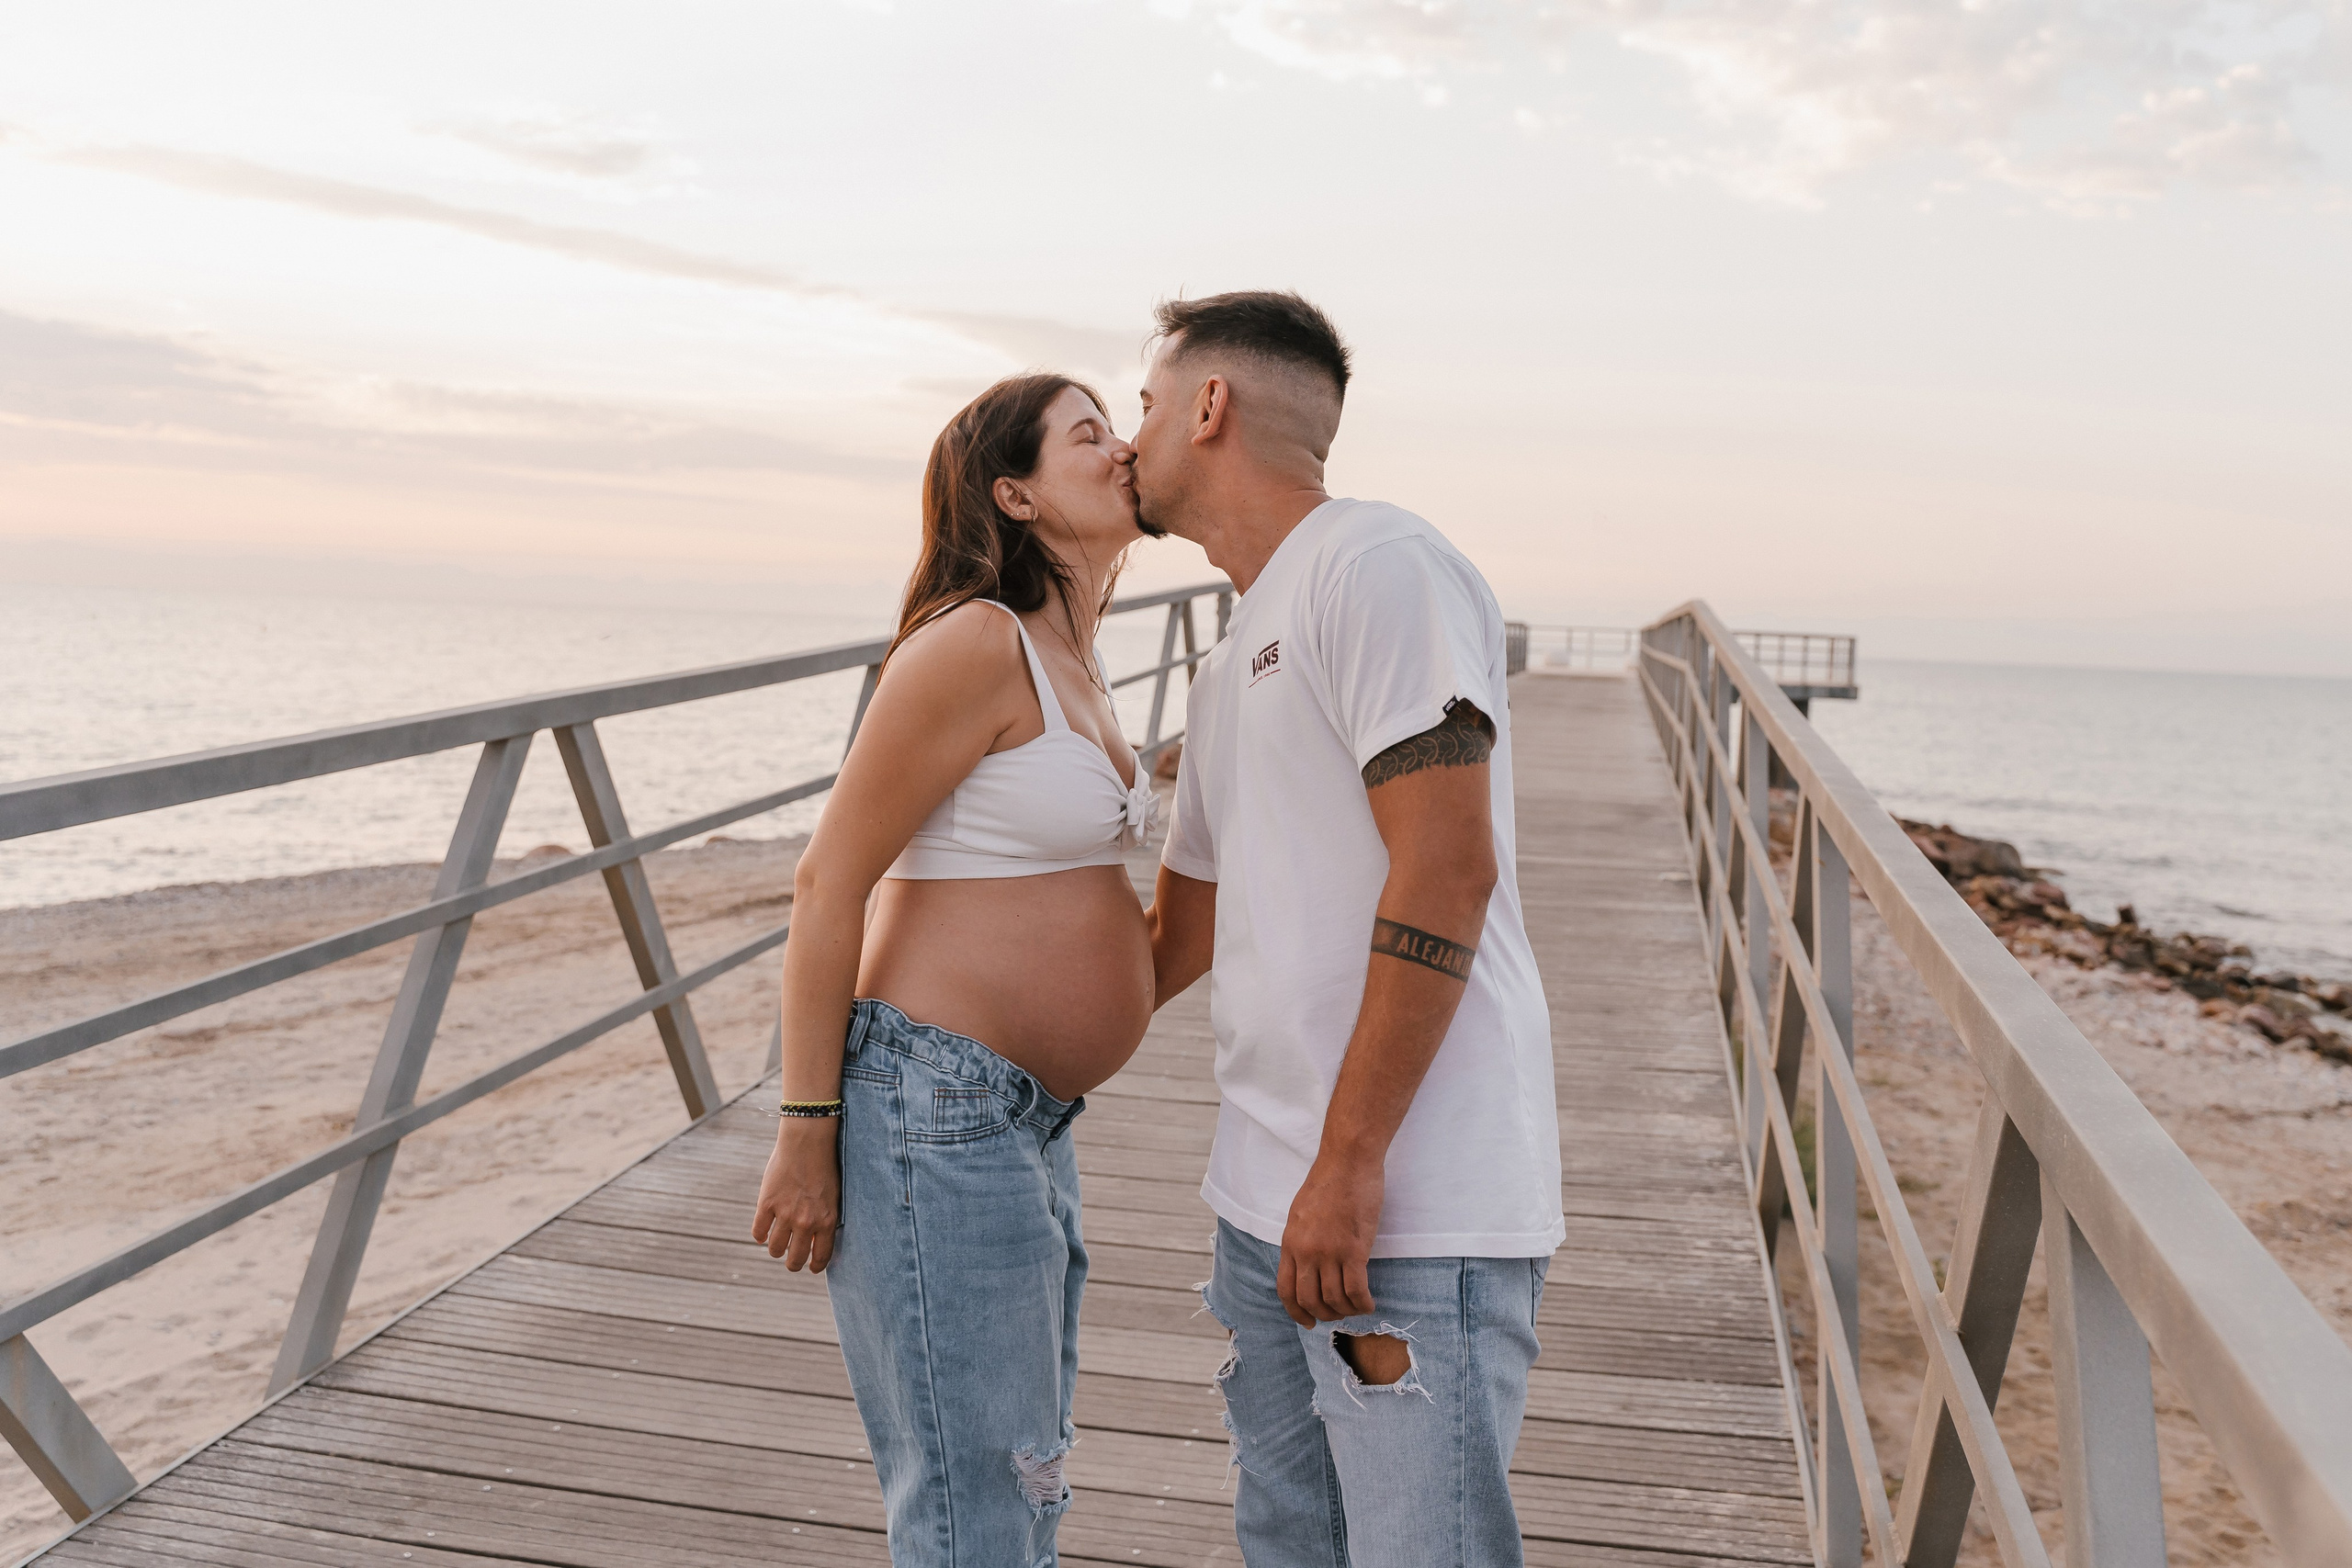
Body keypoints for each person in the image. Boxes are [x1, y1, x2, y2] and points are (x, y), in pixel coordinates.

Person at [1138, 291, 1564, 1568]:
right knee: (1291, 1546)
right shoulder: (1224, 667)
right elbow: (1175, 940)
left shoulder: (1375, 563)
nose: (1127, 437)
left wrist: (1351, 1159)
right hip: (1263, 1202)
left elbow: (1448, 869)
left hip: (1405, 1212)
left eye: (1146, 407)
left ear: (1210, 406)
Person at [750, 373, 1163, 1567]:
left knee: (1022, 1470)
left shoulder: (1074, 653)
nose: (1124, 448)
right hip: (929, 1107)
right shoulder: (976, 643)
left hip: (1025, 1118)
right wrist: (805, 1126)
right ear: (1016, 493)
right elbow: (831, 883)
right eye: (1091, 435)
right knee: (974, 1496)